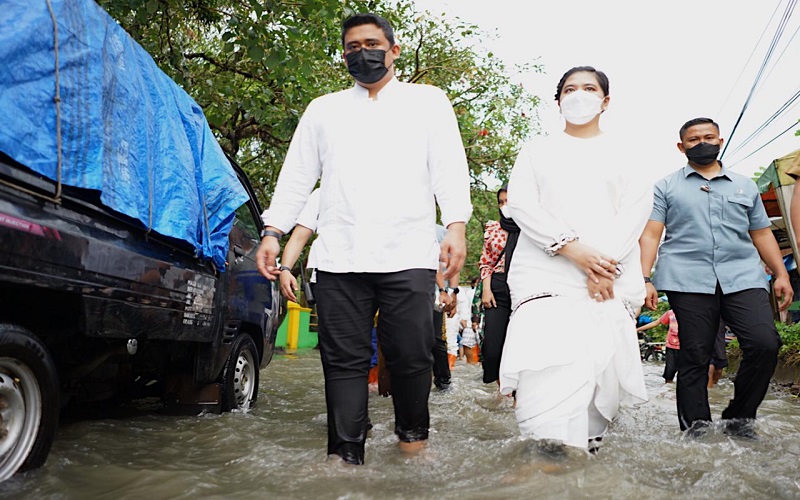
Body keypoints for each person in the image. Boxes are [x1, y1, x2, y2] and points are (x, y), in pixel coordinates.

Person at [255, 13, 472, 465]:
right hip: (339, 258)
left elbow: (449, 169)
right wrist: (273, 232)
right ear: (344, 55)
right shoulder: (324, 109)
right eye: (352, 46)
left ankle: (413, 441)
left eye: (372, 43)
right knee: (343, 361)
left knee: (412, 354)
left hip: (409, 253)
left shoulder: (428, 102)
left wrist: (455, 225)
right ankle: (344, 454)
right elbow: (296, 177)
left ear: (394, 50)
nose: (362, 52)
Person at [498, 66, 651, 455]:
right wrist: (571, 248)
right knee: (544, 363)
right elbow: (521, 204)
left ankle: (583, 456)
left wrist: (603, 266)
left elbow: (634, 211)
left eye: (588, 88)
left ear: (606, 100)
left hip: (609, 276)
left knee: (596, 369)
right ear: (558, 100)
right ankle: (543, 455)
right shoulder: (536, 150)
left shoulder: (627, 153)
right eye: (569, 89)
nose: (578, 95)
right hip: (544, 272)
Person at [639, 117, 792, 439]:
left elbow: (762, 233)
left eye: (708, 137)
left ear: (720, 141)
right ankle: (696, 429)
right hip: (686, 279)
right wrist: (645, 278)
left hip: (743, 276)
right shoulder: (666, 186)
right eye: (693, 139)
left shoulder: (743, 185)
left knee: (764, 344)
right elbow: (652, 234)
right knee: (694, 354)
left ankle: (739, 418)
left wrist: (781, 274)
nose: (702, 143)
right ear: (681, 147)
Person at [478, 186, 514, 389]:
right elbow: (486, 262)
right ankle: (501, 388)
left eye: (508, 201)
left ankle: (516, 394)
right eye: (501, 202)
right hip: (497, 289)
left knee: (519, 346)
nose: (504, 206)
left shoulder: (532, 228)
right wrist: (486, 289)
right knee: (492, 349)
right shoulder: (493, 229)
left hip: (524, 289)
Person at [637, 309, 679, 383]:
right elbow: (656, 322)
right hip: (671, 345)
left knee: (685, 371)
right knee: (669, 370)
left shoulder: (690, 313)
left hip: (686, 346)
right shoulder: (670, 313)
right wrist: (637, 329)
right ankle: (668, 389)